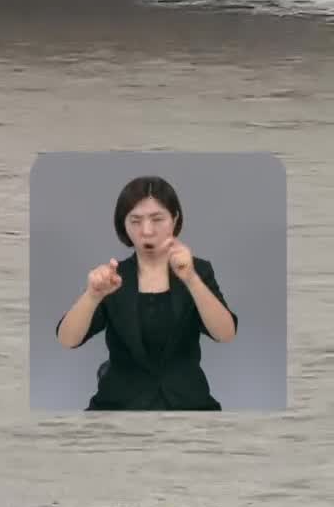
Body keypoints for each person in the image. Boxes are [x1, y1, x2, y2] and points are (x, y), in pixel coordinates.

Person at [54, 175, 239, 410]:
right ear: (124, 224)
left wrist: (191, 279)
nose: (147, 231)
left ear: (175, 219)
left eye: (157, 219)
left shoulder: (199, 270)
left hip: (188, 404)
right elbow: (67, 340)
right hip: (118, 406)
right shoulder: (112, 277)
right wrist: (92, 295)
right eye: (136, 221)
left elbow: (226, 334)